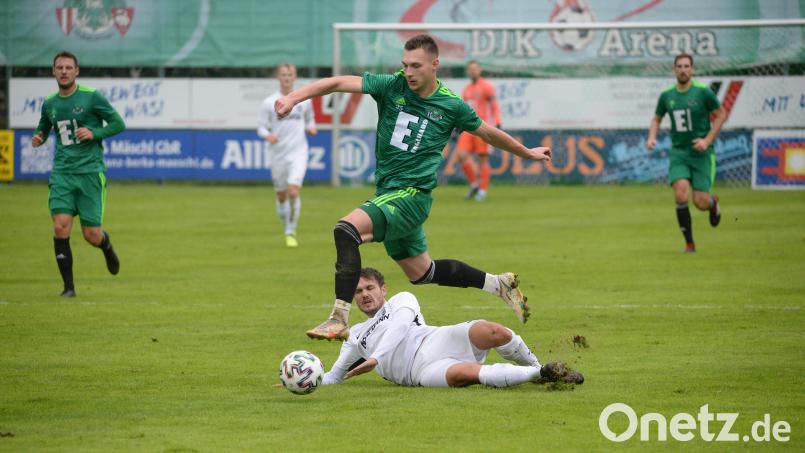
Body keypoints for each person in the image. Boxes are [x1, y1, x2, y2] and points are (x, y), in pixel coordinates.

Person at [275, 34, 552, 340]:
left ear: (435, 65)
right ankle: (498, 284)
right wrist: (292, 98)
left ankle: (338, 318)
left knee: (346, 230)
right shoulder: (391, 85)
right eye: (405, 65)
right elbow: (337, 82)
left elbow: (487, 133)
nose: (408, 72)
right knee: (422, 272)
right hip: (388, 194)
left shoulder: (451, 105)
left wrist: (526, 152)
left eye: (416, 66)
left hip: (412, 197)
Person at [321, 268, 584, 388]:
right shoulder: (354, 334)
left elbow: (399, 328)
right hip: (420, 371)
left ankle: (538, 366)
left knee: (494, 331)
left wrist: (377, 358)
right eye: (358, 291)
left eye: (370, 288)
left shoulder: (402, 300)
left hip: (437, 339)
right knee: (468, 374)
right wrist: (302, 380)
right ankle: (540, 373)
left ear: (383, 289)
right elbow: (334, 376)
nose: (365, 295)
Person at [32, 51, 126, 297]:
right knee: (61, 226)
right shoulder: (50, 103)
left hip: (90, 173)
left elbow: (118, 124)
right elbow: (44, 125)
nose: (63, 71)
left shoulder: (92, 97)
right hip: (62, 173)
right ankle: (68, 288)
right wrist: (39, 136)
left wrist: (95, 133)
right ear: (53, 72)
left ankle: (106, 246)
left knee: (91, 235)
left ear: (76, 71)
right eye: (59, 67)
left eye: (68, 67)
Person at [646, 53, 725, 253]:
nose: (683, 69)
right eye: (679, 66)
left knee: (699, 202)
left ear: (692, 69)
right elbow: (656, 118)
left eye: (686, 66)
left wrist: (707, 141)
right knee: (681, 193)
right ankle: (689, 244)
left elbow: (721, 114)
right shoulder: (667, 95)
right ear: (674, 69)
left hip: (701, 155)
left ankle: (712, 203)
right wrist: (651, 137)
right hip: (679, 152)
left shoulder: (703, 93)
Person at [257, 63, 317, 248]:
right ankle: (286, 229)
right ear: (278, 77)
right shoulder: (269, 102)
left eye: (290, 74)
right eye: (283, 75)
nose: (287, 78)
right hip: (278, 155)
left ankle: (291, 231)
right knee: (281, 196)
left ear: (294, 76)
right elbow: (260, 127)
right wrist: (269, 135)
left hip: (298, 152)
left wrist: (311, 127)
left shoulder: (304, 100)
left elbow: (310, 120)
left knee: (293, 191)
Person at [455, 60, 502, 202]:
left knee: (483, 158)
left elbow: (494, 106)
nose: (473, 71)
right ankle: (474, 184)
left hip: (483, 127)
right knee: (461, 154)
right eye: (470, 69)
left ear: (480, 70)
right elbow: (463, 110)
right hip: (468, 128)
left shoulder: (487, 87)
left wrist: (498, 122)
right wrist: (458, 124)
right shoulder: (467, 89)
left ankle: (482, 190)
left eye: (475, 69)